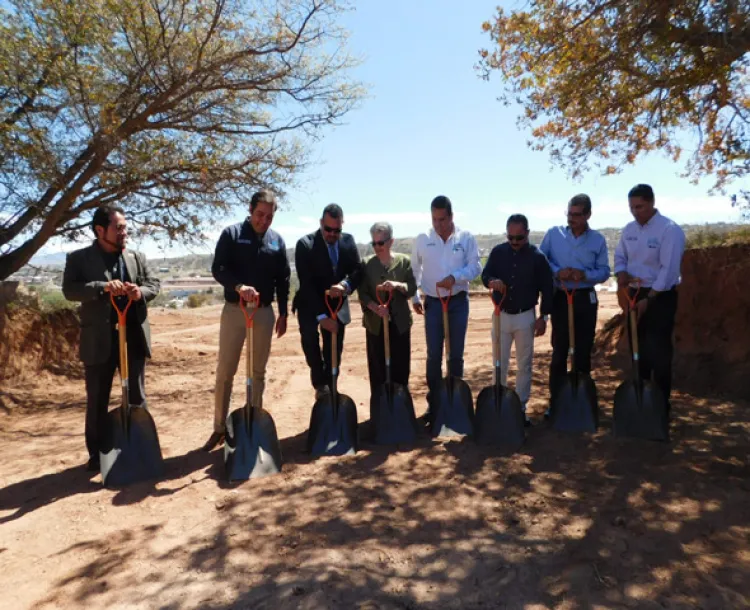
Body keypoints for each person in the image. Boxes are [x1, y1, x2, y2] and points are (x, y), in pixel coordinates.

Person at [62, 205, 161, 472]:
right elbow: (69, 290)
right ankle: (97, 455)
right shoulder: (78, 259)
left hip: (133, 338)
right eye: (119, 228)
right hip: (99, 341)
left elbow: (154, 284)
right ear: (99, 230)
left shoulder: (136, 257)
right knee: (97, 399)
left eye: (125, 227)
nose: (124, 232)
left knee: (137, 396)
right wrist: (102, 288)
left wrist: (139, 292)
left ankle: (140, 447)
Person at [202, 189, 290, 451]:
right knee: (225, 371)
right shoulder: (232, 234)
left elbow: (283, 279)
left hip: (263, 312)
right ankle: (219, 428)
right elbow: (218, 268)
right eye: (260, 214)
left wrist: (283, 313)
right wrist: (239, 287)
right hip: (235, 310)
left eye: (269, 216)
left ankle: (253, 425)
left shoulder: (277, 242)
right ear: (250, 210)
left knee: (257, 372)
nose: (264, 220)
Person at [614, 184, 685, 411]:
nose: (636, 212)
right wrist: (621, 273)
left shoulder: (669, 230)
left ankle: (661, 405)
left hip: (660, 295)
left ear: (652, 203)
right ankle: (640, 403)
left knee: (660, 351)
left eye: (640, 207)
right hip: (634, 293)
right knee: (638, 349)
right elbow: (619, 256)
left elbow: (668, 270)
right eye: (632, 207)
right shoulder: (629, 230)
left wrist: (650, 299)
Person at [411, 195, 481, 419]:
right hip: (433, 303)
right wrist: (415, 296)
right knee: (434, 355)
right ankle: (435, 402)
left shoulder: (466, 238)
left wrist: (455, 277)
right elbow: (414, 271)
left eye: (442, 219)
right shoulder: (423, 239)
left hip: (458, 302)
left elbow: (475, 267)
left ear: (451, 216)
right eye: (434, 219)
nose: (438, 224)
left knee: (456, 354)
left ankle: (455, 402)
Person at [481, 214, 553, 425]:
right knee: (498, 363)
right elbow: (486, 276)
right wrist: (492, 281)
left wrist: (544, 317)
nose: (514, 243)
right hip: (500, 315)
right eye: (510, 238)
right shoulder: (497, 252)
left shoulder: (538, 257)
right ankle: (498, 406)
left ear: (527, 234)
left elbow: (547, 289)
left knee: (525, 365)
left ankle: (520, 409)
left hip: (525, 316)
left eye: (519, 238)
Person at [540, 194, 610, 409]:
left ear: (588, 215)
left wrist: (585, 275)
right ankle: (557, 402)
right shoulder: (554, 234)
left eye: (577, 215)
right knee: (560, 350)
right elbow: (541, 260)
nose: (572, 218)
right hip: (561, 298)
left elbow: (605, 271)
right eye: (569, 213)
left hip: (584, 299)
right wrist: (557, 272)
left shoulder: (597, 240)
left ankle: (581, 402)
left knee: (582, 350)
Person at [293, 204, 363, 399]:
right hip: (310, 303)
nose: (333, 234)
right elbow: (306, 283)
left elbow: (357, 270)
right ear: (321, 223)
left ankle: (332, 387)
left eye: (337, 230)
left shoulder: (348, 242)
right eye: (328, 229)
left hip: (337, 303)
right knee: (310, 341)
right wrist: (321, 316)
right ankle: (320, 385)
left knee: (334, 349)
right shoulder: (305, 245)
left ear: (342, 225)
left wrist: (345, 285)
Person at [358, 222, 417, 395]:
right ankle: (379, 409)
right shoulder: (367, 264)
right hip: (375, 325)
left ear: (391, 242)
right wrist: (375, 308)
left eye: (381, 243)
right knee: (377, 369)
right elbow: (362, 293)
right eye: (374, 243)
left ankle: (400, 405)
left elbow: (412, 288)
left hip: (400, 324)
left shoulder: (404, 262)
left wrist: (398, 285)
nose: (377, 247)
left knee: (400, 367)